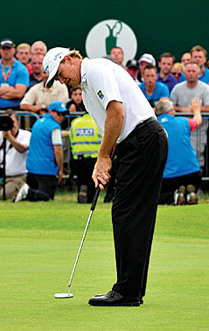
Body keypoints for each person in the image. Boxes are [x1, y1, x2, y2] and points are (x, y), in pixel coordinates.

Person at [43, 47, 168, 306]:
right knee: (128, 214)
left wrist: (102, 158)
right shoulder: (87, 91)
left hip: (143, 139)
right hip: (134, 144)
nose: (60, 80)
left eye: (60, 73)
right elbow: (110, 127)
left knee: (127, 214)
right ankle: (131, 289)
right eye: (56, 79)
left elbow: (117, 113)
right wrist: (104, 161)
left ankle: (127, 291)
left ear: (69, 59)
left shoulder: (97, 69)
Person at [14, 101, 67, 202]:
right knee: (47, 197)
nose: (62, 117)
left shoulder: (38, 123)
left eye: (64, 114)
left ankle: (26, 192)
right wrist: (60, 169)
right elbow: (58, 150)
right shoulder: (54, 127)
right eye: (59, 113)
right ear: (51, 112)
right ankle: (27, 192)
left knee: (34, 198)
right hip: (46, 168)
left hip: (31, 167)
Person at [156, 98, 203, 205]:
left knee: (156, 197)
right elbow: (197, 121)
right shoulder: (183, 121)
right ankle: (187, 195)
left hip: (168, 176)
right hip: (192, 172)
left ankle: (176, 196)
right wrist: (196, 110)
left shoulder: (153, 126)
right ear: (171, 111)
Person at [171, 62, 209, 172]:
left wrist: (196, 110)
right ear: (184, 73)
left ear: (199, 73)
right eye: (188, 71)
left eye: (193, 71)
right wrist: (183, 110)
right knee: (181, 155)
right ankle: (182, 185)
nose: (191, 74)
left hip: (200, 130)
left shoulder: (205, 88)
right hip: (181, 130)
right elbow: (171, 106)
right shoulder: (177, 88)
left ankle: (198, 186)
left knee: (198, 155)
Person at [0, 38, 29, 110]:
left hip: (15, 109)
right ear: (0, 51)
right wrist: (8, 89)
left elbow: (19, 93)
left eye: (8, 48)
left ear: (14, 50)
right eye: (3, 49)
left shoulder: (22, 69)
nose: (6, 51)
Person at [68, 112, 101, 203]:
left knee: (81, 179)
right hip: (94, 157)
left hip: (78, 157)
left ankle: (81, 192)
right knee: (92, 182)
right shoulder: (98, 122)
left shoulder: (75, 123)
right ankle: (90, 198)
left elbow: (71, 138)